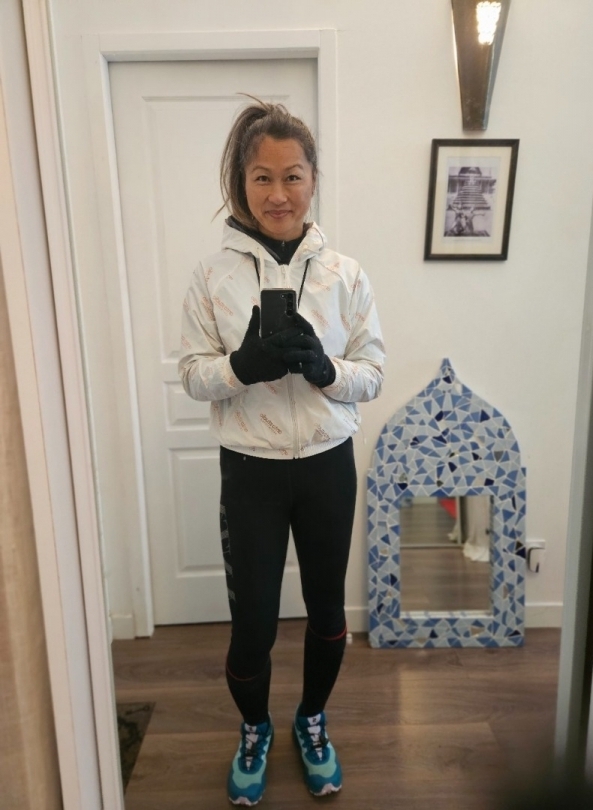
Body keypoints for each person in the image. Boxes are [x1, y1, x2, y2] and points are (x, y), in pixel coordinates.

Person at [179, 98, 385, 806]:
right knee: (253, 627)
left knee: (327, 613)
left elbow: (373, 373)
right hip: (252, 473)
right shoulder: (211, 276)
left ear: (313, 178)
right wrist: (242, 367)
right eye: (261, 177)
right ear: (241, 183)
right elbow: (192, 376)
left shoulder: (346, 275)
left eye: (292, 175)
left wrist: (326, 371)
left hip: (328, 466)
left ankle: (312, 719)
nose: (278, 193)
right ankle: (255, 728)